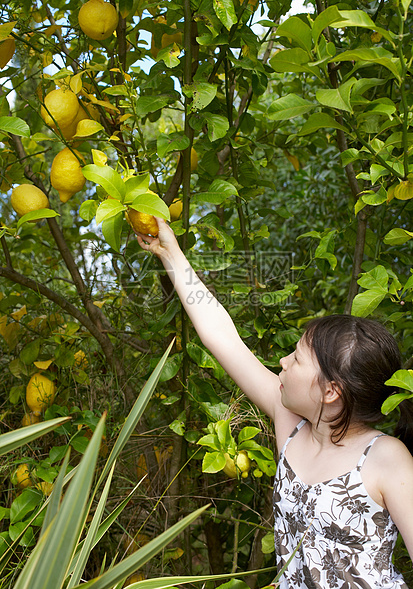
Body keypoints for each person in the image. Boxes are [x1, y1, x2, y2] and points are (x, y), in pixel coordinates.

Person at [136, 218, 413, 589]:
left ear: (331, 391)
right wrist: (170, 251)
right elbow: (222, 335)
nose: (283, 362)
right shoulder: (292, 424)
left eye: (297, 358)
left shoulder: (386, 456)